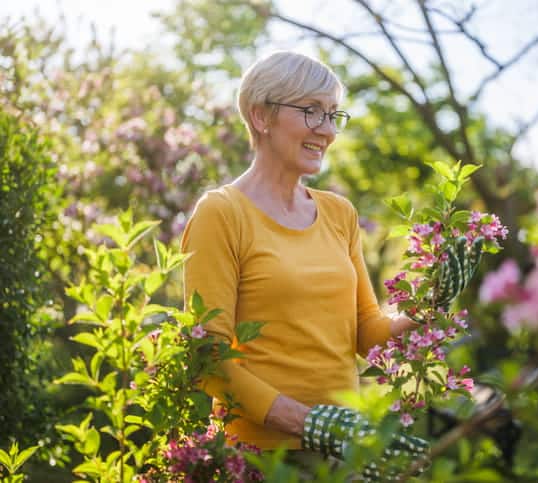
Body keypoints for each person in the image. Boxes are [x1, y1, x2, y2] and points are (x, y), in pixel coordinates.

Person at [181, 51, 475, 479]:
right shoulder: (222, 213)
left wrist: (428, 300)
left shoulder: (339, 213)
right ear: (260, 115)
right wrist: (310, 424)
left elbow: (365, 331)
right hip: (261, 457)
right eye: (312, 112)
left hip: (345, 450)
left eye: (334, 114)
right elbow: (207, 356)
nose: (328, 130)